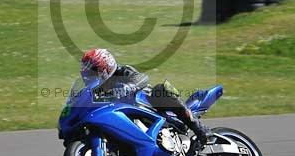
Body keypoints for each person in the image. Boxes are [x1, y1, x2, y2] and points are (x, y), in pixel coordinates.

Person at [80, 48, 213, 150]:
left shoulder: (122, 71)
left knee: (160, 90)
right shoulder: (97, 90)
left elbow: (142, 78)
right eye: (87, 72)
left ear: (106, 66)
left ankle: (199, 128)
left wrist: (128, 87)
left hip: (151, 105)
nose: (89, 76)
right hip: (126, 119)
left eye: (93, 71)